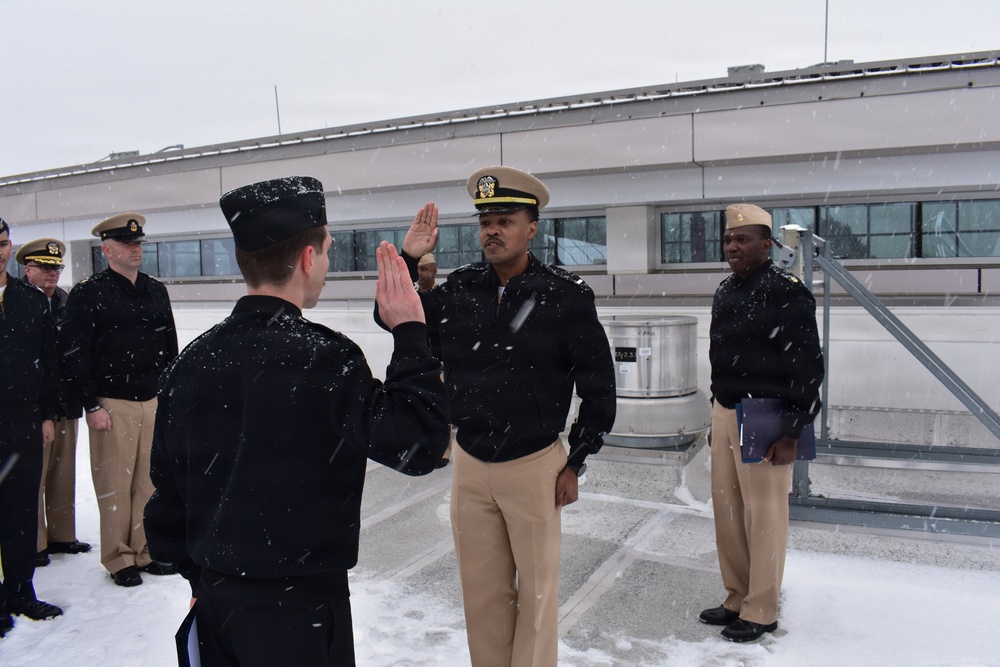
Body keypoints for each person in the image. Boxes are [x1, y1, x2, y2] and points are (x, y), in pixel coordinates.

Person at [144, 176, 450, 667]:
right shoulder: (327, 360)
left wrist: (198, 576)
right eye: (326, 251)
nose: (326, 265)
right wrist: (411, 333)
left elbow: (167, 496)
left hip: (218, 602)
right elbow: (420, 445)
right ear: (308, 259)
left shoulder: (192, 362)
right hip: (302, 611)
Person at [377, 166, 617, 667]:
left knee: (535, 598)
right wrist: (408, 258)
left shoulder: (565, 296)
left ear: (532, 227)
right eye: (485, 220)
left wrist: (578, 459)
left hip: (534, 465)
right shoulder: (459, 291)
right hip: (469, 461)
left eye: (505, 219)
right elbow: (395, 316)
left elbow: (598, 386)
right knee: (481, 594)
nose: (492, 230)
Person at [699, 203, 824, 642]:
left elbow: (807, 366)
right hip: (727, 411)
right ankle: (737, 596)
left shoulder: (786, 291)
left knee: (764, 516)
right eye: (729, 239)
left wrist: (792, 430)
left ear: (767, 244)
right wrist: (719, 414)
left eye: (743, 239)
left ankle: (762, 607)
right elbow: (721, 358)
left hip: (767, 415)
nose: (733, 246)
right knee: (728, 511)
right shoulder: (726, 289)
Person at [59, 212, 178, 587]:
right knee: (114, 483)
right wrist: (90, 404)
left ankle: (145, 550)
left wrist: (170, 393)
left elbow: (169, 344)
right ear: (107, 250)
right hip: (112, 402)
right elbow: (75, 352)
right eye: (128, 245)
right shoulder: (89, 292)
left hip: (152, 398)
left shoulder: (155, 289)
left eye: (138, 243)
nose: (136, 249)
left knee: (149, 482)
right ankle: (118, 557)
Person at [0, 218, 64, 637]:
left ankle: (21, 590)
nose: (1, 250)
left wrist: (45, 414)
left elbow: (47, 361)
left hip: (21, 423)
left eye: (4, 243)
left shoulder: (27, 299)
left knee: (21, 512)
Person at [15, 238, 92, 567]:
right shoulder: (17, 302)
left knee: (63, 473)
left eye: (56, 268)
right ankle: (34, 543)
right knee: (33, 475)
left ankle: (62, 534)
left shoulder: (66, 302)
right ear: (27, 269)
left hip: (65, 402)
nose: (52, 274)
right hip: (32, 406)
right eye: (45, 268)